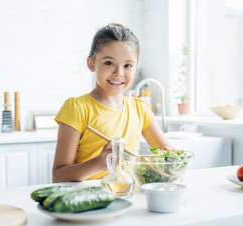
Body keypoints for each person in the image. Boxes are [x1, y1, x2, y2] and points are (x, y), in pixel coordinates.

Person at [52, 23, 171, 183]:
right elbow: (58, 176)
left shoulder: (139, 109)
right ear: (91, 63)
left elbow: (169, 156)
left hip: (128, 196)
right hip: (89, 199)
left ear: (135, 68)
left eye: (128, 65)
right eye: (109, 63)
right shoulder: (77, 109)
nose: (118, 73)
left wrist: (163, 165)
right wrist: (99, 163)